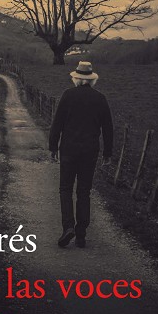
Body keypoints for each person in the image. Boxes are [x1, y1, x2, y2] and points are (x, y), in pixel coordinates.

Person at [48, 61, 113, 249]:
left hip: (69, 149)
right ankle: (81, 234)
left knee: (65, 189)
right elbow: (108, 128)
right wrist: (108, 153)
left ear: (76, 78)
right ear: (92, 80)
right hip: (89, 151)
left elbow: (57, 123)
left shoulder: (68, 95)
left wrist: (53, 147)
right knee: (84, 191)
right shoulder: (100, 99)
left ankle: (68, 227)